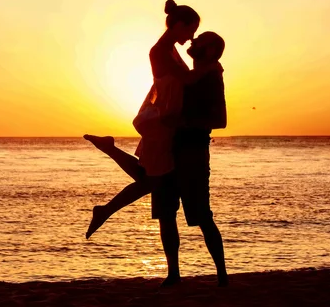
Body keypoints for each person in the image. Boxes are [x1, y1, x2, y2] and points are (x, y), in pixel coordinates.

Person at [84, 20, 228, 286]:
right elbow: (164, 55)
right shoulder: (186, 70)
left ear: (210, 51)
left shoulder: (212, 77)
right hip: (171, 145)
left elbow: (221, 120)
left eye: (201, 39)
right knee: (164, 210)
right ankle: (173, 274)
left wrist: (183, 123)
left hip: (193, 151)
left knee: (201, 215)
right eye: (194, 36)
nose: (194, 41)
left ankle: (222, 277)